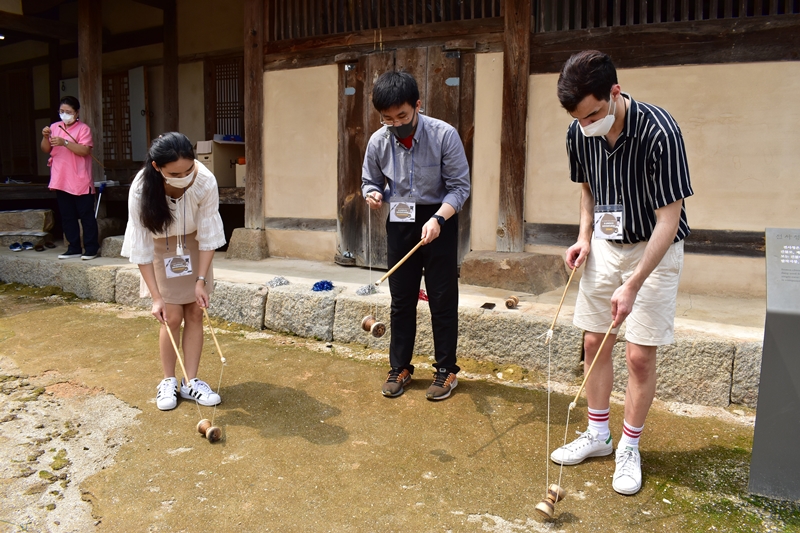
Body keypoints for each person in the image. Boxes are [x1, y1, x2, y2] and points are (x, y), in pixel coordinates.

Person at [548, 51, 694, 495]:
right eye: (579, 117)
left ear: (614, 92)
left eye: (593, 113)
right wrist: (584, 237)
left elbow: (669, 220)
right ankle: (598, 435)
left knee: (639, 355)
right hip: (606, 246)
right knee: (594, 340)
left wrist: (634, 284)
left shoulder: (660, 131)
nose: (587, 123)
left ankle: (629, 445)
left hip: (654, 247)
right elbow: (588, 190)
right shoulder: (579, 132)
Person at [361, 71, 470, 401]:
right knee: (402, 297)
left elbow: (459, 188)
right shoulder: (378, 141)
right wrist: (372, 194)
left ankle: (446, 369)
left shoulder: (443, 135)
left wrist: (438, 218)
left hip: (440, 218)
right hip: (400, 219)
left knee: (441, 296)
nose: (396, 124)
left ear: (418, 106)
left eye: (403, 116)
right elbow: (370, 180)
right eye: (388, 118)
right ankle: (400, 366)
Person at [121, 133, 226, 411]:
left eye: (188, 169)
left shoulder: (204, 181)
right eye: (174, 173)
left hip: (193, 245)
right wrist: (156, 298)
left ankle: (191, 382)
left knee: (194, 312)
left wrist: (201, 280)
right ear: (157, 167)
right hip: (159, 247)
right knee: (171, 316)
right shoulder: (142, 188)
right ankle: (168, 380)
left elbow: (208, 235)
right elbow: (141, 247)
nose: (184, 176)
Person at [40, 96, 100, 260]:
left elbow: (84, 151)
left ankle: (91, 248)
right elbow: (46, 149)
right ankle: (73, 247)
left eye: (68, 112)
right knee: (67, 216)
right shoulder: (54, 127)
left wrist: (64, 142)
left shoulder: (83, 129)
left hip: (80, 178)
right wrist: (46, 137)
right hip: (61, 178)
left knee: (86, 215)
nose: (64, 114)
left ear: (76, 112)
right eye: (62, 111)